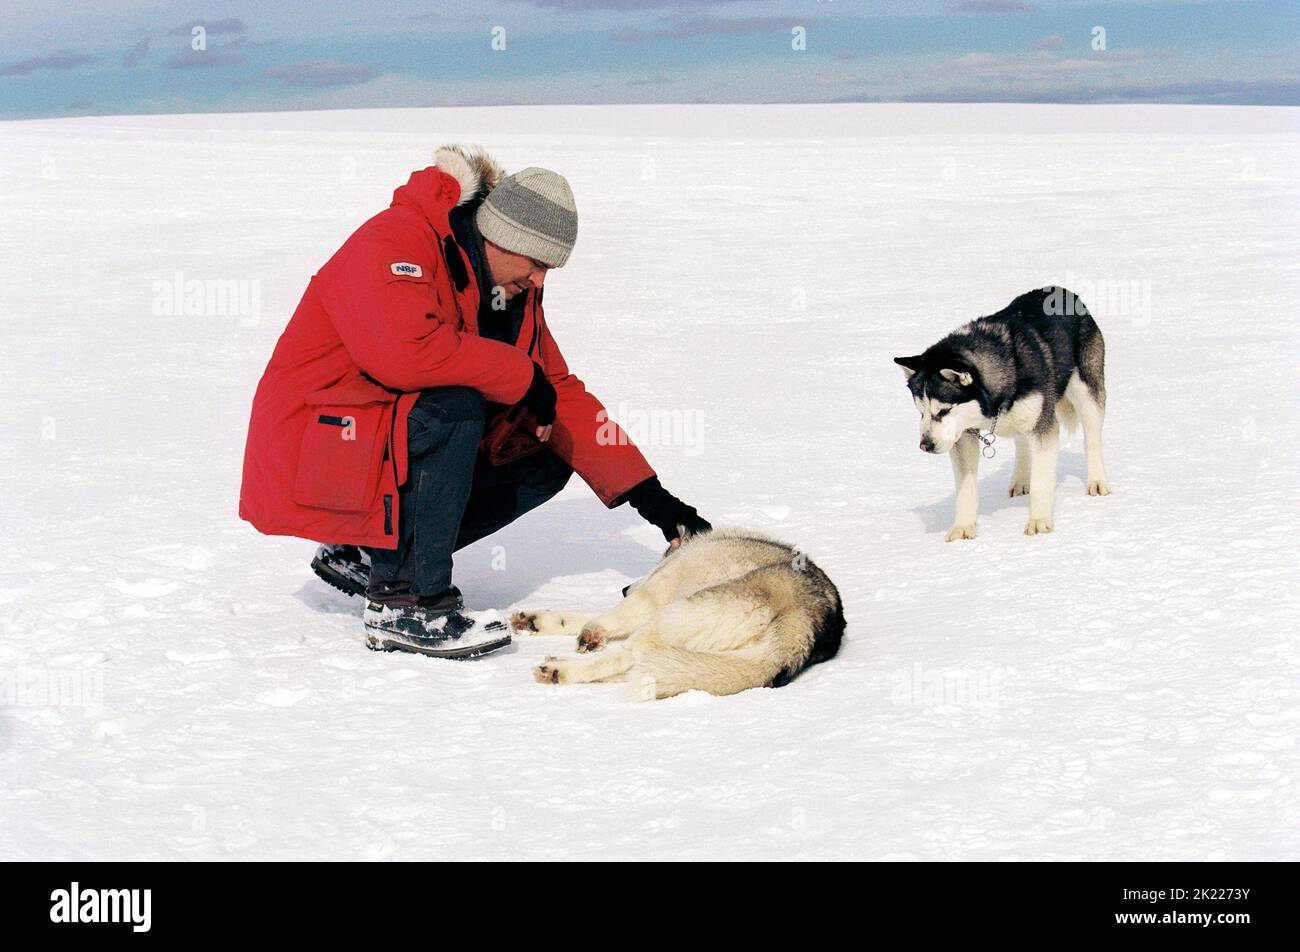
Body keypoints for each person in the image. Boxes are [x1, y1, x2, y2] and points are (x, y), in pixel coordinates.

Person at [238, 145, 710, 658]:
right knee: (454, 407)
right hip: (318, 444)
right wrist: (521, 376)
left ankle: (369, 552)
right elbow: (405, 355)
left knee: (542, 450)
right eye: (537, 263)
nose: (540, 280)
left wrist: (654, 500)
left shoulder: (509, 293)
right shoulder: (398, 238)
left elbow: (556, 389)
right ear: (501, 237)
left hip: (376, 447)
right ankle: (408, 602)